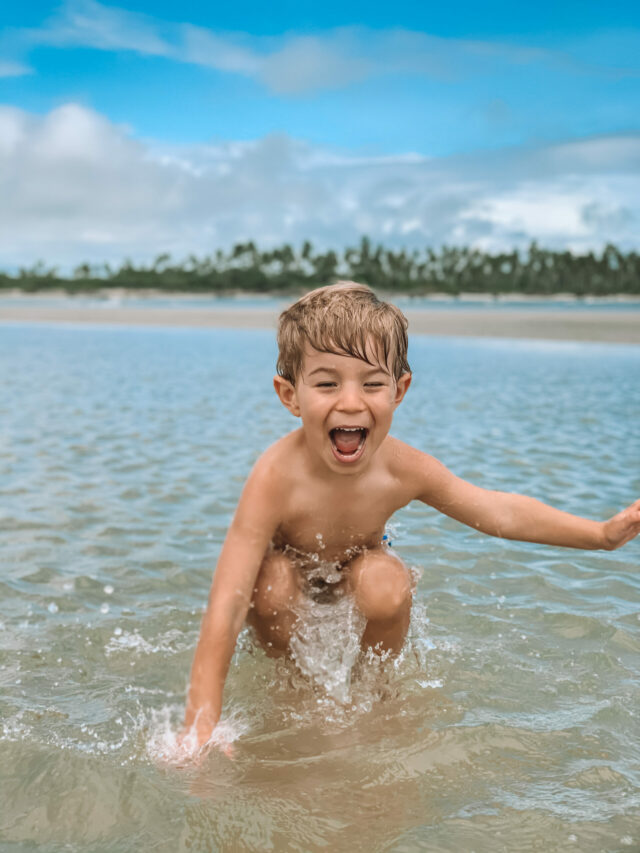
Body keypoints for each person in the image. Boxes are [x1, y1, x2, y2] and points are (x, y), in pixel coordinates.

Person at [182, 281, 640, 752]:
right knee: (272, 581)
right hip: (286, 583)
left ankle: (374, 696)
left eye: (372, 383)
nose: (351, 401)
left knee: (386, 582)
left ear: (399, 390)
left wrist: (602, 535)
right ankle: (291, 691)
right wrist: (200, 724)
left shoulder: (402, 468)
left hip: (357, 573)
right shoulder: (275, 476)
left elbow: (496, 509)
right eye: (326, 383)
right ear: (289, 395)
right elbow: (228, 597)